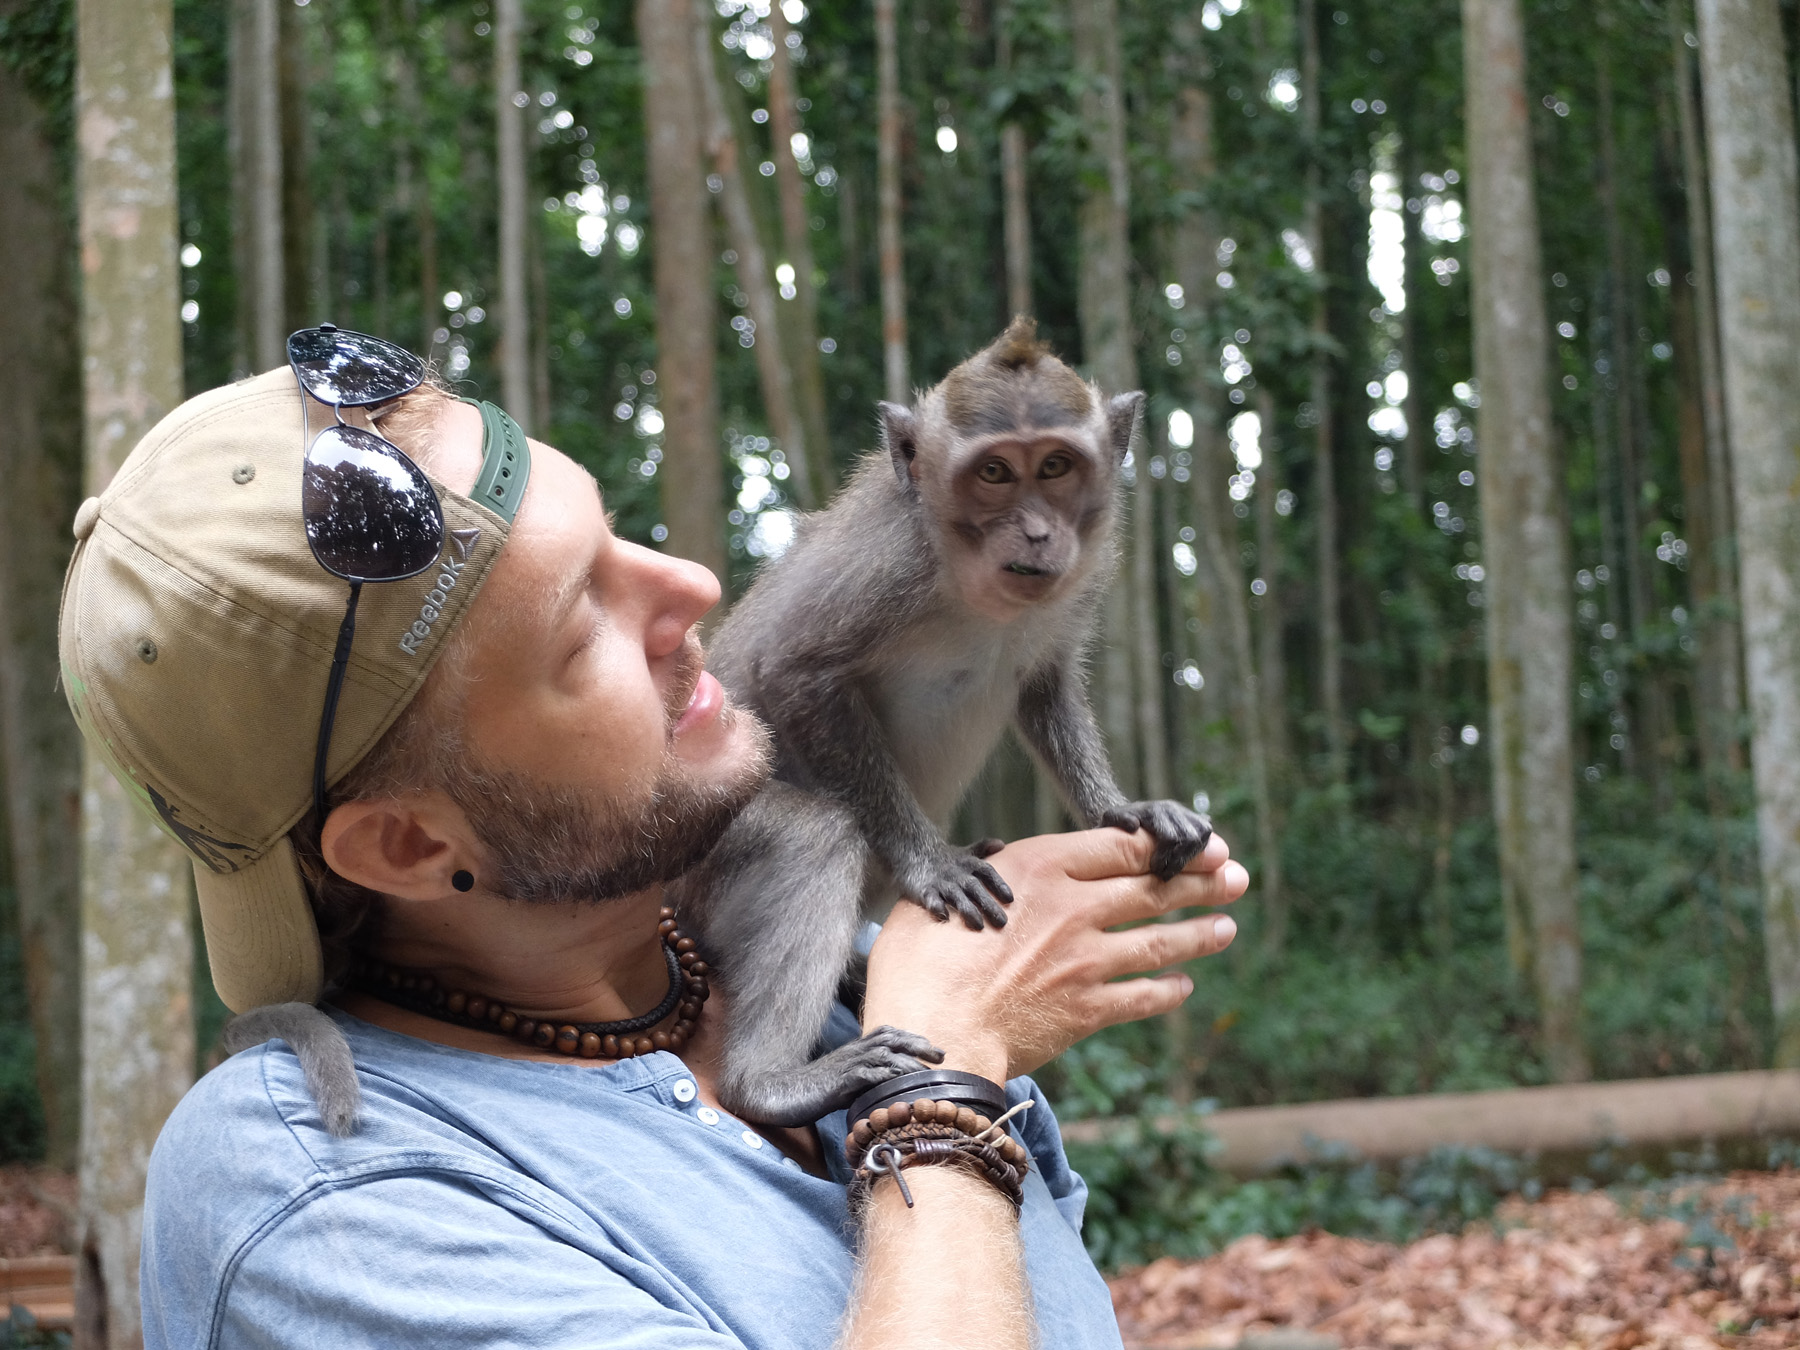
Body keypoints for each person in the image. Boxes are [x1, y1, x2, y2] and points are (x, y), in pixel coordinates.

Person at [57, 329, 1246, 1350]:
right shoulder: (318, 1194)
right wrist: (946, 1091)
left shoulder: (864, 987)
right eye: (580, 631)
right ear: (409, 845)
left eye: (625, 538)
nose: (698, 587)